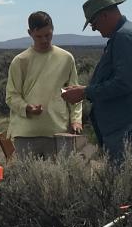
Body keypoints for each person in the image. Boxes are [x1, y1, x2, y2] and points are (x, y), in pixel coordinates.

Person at [60, 0, 132, 166]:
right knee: (127, 185)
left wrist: (85, 92)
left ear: (105, 15)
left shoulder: (125, 37)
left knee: (127, 186)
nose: (94, 29)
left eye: (94, 23)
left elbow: (123, 83)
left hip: (130, 127)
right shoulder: (123, 35)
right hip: (129, 125)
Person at [6, 11, 83, 158]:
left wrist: (76, 121)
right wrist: (26, 108)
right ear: (30, 33)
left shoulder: (66, 59)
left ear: (53, 30)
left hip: (58, 132)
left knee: (59, 179)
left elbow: (74, 93)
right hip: (25, 134)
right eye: (39, 36)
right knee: (28, 178)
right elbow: (11, 96)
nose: (44, 40)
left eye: (48, 35)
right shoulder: (20, 61)